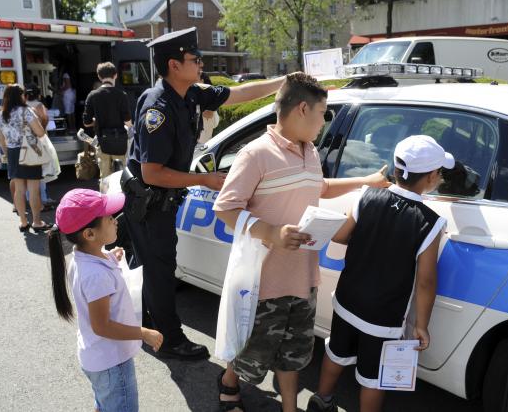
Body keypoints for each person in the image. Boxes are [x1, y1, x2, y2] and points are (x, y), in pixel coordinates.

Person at [213, 73, 390, 412]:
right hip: (262, 281)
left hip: (303, 277)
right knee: (251, 348)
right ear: (302, 109)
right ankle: (228, 383)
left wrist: (365, 181)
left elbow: (318, 186)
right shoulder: (256, 154)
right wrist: (270, 232)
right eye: (323, 113)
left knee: (293, 353)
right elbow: (225, 208)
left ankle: (289, 407)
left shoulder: (309, 152)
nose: (324, 122)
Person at [122, 27, 292, 361]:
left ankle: (143, 323)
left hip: (159, 200)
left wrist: (283, 82)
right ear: (174, 64)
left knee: (154, 268)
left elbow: (239, 94)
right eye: (194, 59)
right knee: (160, 271)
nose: (200, 64)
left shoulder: (190, 93)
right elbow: (151, 172)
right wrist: (205, 181)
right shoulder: (158, 107)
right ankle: (169, 339)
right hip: (150, 203)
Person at [306, 135, 455, 412]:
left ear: (396, 169)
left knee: (335, 352)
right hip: (383, 316)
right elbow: (425, 281)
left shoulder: (366, 195)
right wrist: (421, 324)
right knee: (374, 377)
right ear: (432, 177)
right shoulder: (431, 223)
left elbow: (340, 236)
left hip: (348, 300)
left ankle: (321, 399)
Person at [48, 188, 164, 412]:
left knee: (104, 404)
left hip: (98, 358)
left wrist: (111, 256)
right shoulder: (96, 275)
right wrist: (143, 333)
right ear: (89, 234)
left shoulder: (83, 258)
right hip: (112, 363)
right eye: (109, 218)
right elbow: (102, 326)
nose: (115, 221)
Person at [0, 84, 52, 233]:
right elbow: (40, 133)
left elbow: (1, 139)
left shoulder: (0, 115)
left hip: (13, 153)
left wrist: (8, 154)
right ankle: (37, 222)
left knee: (19, 190)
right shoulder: (26, 111)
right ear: (21, 96)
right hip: (30, 152)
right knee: (34, 189)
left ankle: (23, 222)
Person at [83, 62, 132, 186]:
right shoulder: (122, 95)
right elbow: (128, 121)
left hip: (101, 142)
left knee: (105, 177)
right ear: (115, 75)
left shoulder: (92, 95)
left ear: (99, 77)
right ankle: (120, 203)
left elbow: (86, 122)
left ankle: (105, 203)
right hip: (120, 142)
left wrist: (96, 120)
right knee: (121, 175)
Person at [26, 84, 56, 210]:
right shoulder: (39, 105)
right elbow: (44, 121)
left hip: (27, 142)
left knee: (28, 172)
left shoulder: (23, 107)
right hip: (39, 140)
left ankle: (28, 198)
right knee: (41, 171)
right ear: (39, 94)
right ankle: (43, 198)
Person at [197, 72, 220, 145]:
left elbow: (208, 115)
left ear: (202, 81)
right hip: (203, 141)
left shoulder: (207, 95)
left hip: (201, 142)